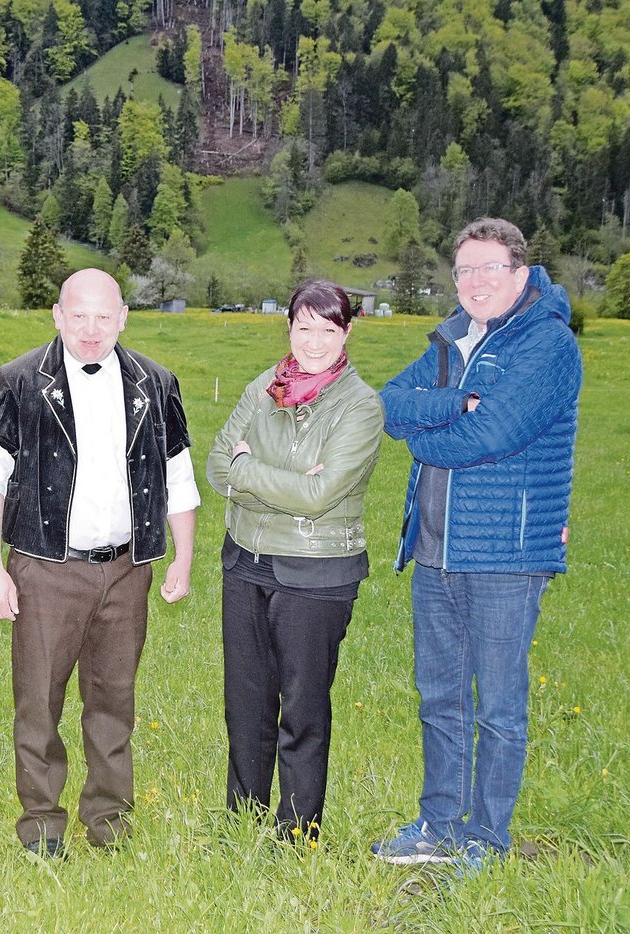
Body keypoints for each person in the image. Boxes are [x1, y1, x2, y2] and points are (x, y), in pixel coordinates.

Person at [0, 268, 200, 858]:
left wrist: (183, 560)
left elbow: (179, 476)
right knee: (39, 702)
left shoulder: (157, 383)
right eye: (79, 315)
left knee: (114, 700)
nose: (92, 330)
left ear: (123, 317)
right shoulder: (15, 383)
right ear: (57, 315)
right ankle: (42, 827)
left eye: (104, 317)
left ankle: (110, 823)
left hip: (128, 570)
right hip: (46, 569)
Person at [372, 217, 581, 869]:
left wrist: (427, 431)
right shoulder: (452, 339)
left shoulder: (546, 344)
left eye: (490, 268)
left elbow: (493, 436)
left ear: (520, 274)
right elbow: (387, 404)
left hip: (505, 556)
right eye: (464, 270)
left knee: (498, 707)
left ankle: (487, 837)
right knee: (439, 696)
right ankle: (437, 824)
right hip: (434, 552)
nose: (476, 282)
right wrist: (455, 402)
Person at [206, 280, 384, 844]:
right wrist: (267, 478)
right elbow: (216, 466)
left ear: (346, 332)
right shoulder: (264, 387)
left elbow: (320, 495)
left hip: (316, 572)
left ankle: (298, 829)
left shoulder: (361, 406)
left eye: (327, 330)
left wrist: (248, 471)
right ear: (289, 327)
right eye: (304, 327)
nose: (313, 341)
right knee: (246, 698)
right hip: (246, 562)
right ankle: (243, 815)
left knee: (303, 706)